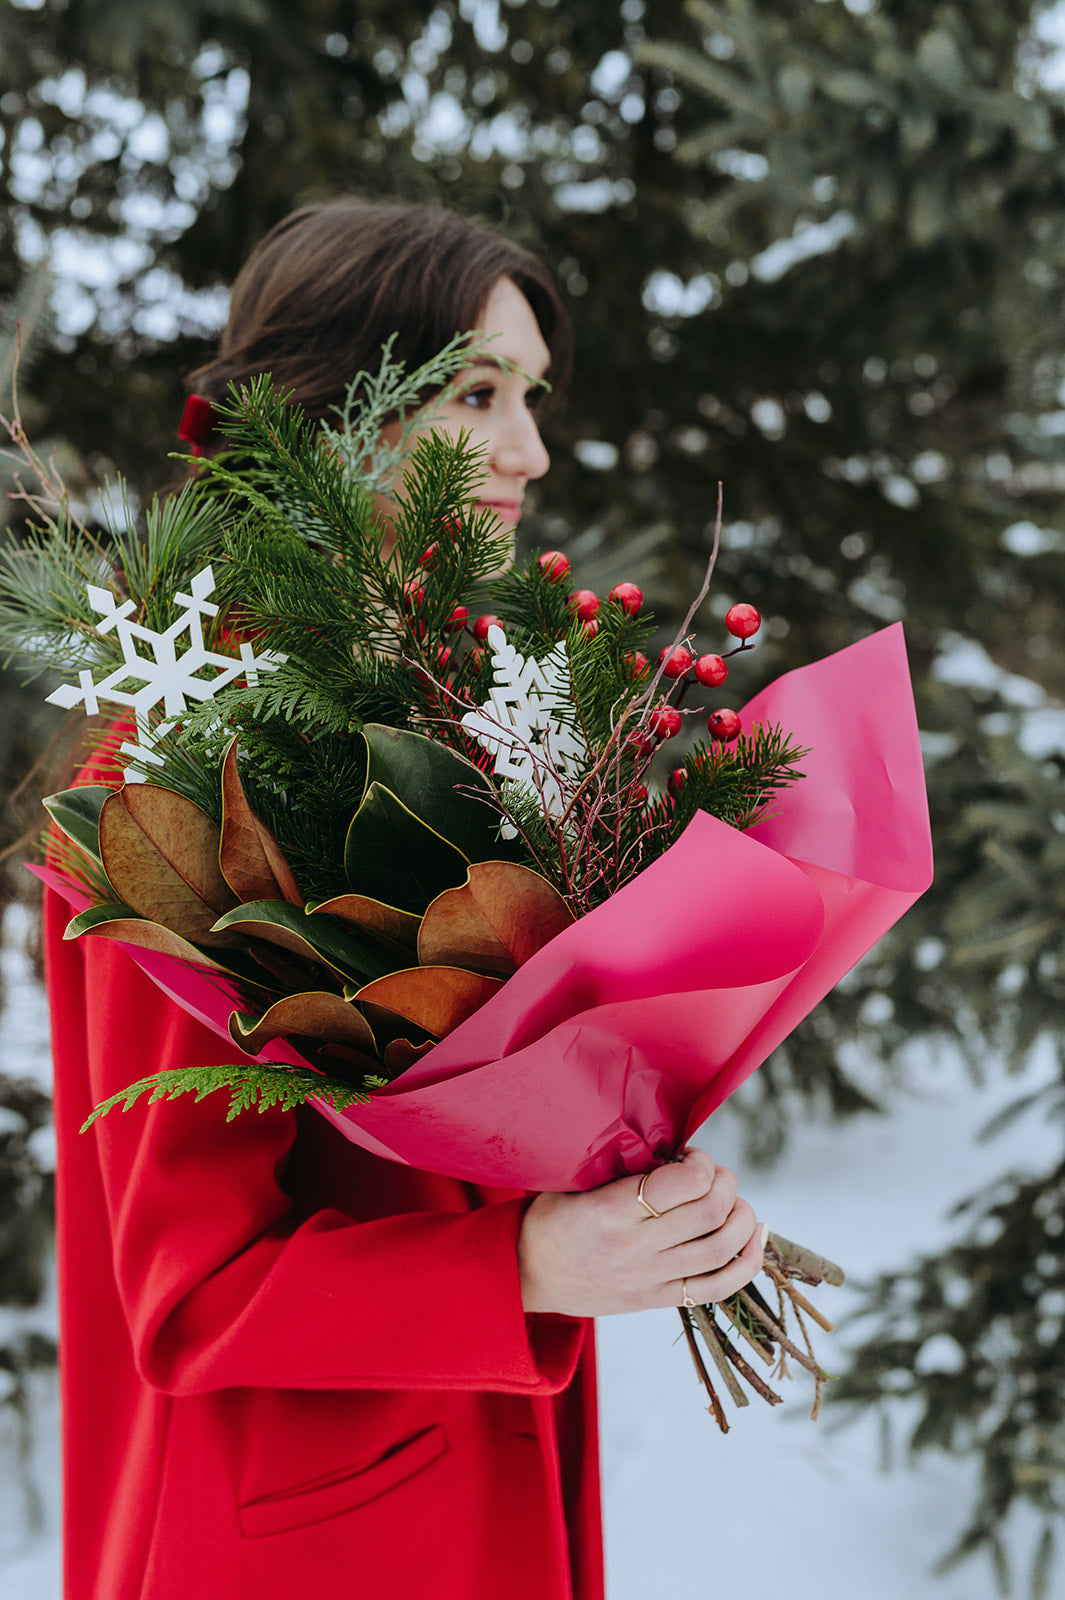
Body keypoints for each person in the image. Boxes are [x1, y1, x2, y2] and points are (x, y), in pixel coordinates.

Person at [44, 197, 765, 1600]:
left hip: (483, 1473)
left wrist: (635, 1188)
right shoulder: (195, 766)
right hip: (307, 1538)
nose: (530, 451)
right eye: (475, 393)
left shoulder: (474, 723)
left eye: (532, 396)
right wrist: (530, 1267)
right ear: (328, 411)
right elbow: (190, 1301)